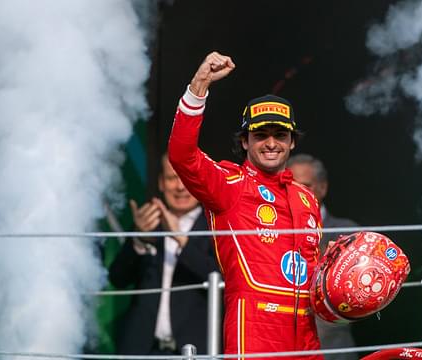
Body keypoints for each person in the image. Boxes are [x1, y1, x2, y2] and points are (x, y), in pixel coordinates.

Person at [168, 51, 323, 359]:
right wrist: (200, 84)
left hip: (306, 330)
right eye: (260, 134)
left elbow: (314, 272)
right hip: (253, 326)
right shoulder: (229, 185)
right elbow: (182, 156)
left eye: (280, 135)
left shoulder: (307, 197)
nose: (270, 143)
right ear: (244, 141)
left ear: (292, 141)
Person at [109, 152, 219, 355]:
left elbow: (222, 280)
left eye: (187, 178)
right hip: (143, 350)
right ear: (161, 183)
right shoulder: (149, 223)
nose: (179, 187)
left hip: (194, 350)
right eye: (171, 178)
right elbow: (118, 278)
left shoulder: (217, 226)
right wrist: (139, 240)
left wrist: (181, 240)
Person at [287, 153, 359, 360]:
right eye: (291, 186)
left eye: (306, 186)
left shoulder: (348, 233)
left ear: (323, 188)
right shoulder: (272, 232)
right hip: (282, 349)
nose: (297, 193)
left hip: (332, 351)